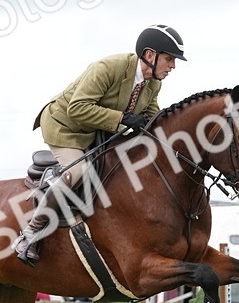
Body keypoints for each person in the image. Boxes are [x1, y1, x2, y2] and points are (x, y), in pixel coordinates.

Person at [15, 24, 186, 266]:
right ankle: (30, 234)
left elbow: (152, 117)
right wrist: (122, 119)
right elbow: (77, 107)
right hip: (65, 127)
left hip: (97, 133)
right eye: (169, 59)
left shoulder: (153, 83)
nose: (173, 66)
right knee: (78, 172)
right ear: (150, 55)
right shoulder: (107, 68)